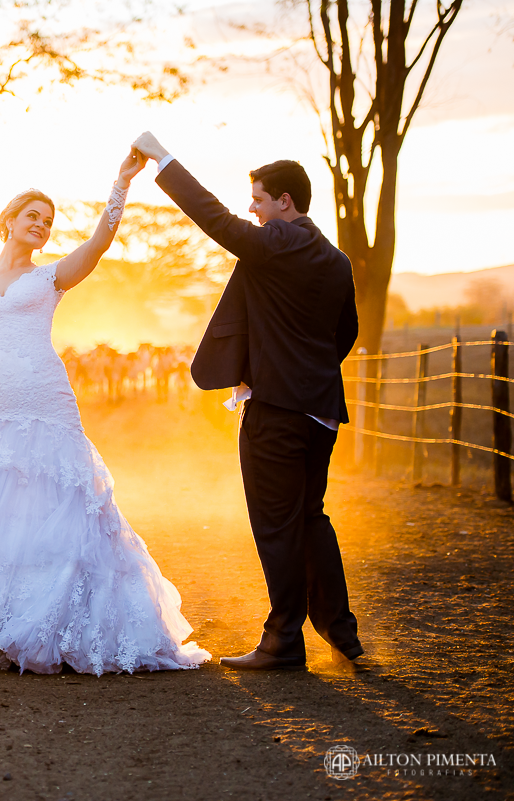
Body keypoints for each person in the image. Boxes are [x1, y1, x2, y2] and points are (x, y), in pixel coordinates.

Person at [0, 152, 210, 675]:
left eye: (48, 222)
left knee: (59, 508)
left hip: (45, 399)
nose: (41, 225)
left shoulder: (52, 277)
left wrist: (120, 183)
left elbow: (99, 243)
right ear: (8, 221)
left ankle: (57, 627)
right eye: (32, 215)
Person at [131, 131, 364, 672]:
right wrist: (308, 372)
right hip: (320, 411)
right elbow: (344, 333)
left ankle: (284, 639)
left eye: (258, 199)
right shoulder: (336, 260)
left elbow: (216, 221)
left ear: (286, 202)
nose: (251, 210)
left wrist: (162, 157)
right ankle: (341, 632)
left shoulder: (283, 242)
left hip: (278, 412)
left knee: (277, 523)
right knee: (309, 517)